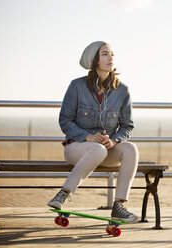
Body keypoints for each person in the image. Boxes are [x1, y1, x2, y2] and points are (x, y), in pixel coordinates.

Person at [47, 41, 139, 223]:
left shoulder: (123, 90)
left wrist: (114, 141)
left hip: (107, 150)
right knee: (97, 149)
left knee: (131, 149)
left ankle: (118, 206)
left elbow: (127, 125)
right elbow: (65, 120)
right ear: (94, 60)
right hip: (77, 148)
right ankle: (64, 193)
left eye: (112, 54)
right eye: (105, 54)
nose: (110, 57)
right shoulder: (77, 86)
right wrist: (87, 136)